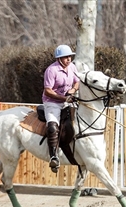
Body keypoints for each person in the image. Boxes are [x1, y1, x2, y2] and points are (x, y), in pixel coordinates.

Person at [42, 44, 80, 173]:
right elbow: (47, 91)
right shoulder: (51, 70)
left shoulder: (72, 67)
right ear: (59, 59)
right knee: (53, 125)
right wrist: (64, 99)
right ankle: (53, 156)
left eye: (69, 56)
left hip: (67, 101)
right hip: (52, 103)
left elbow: (77, 81)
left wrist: (73, 90)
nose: (68, 59)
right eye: (65, 57)